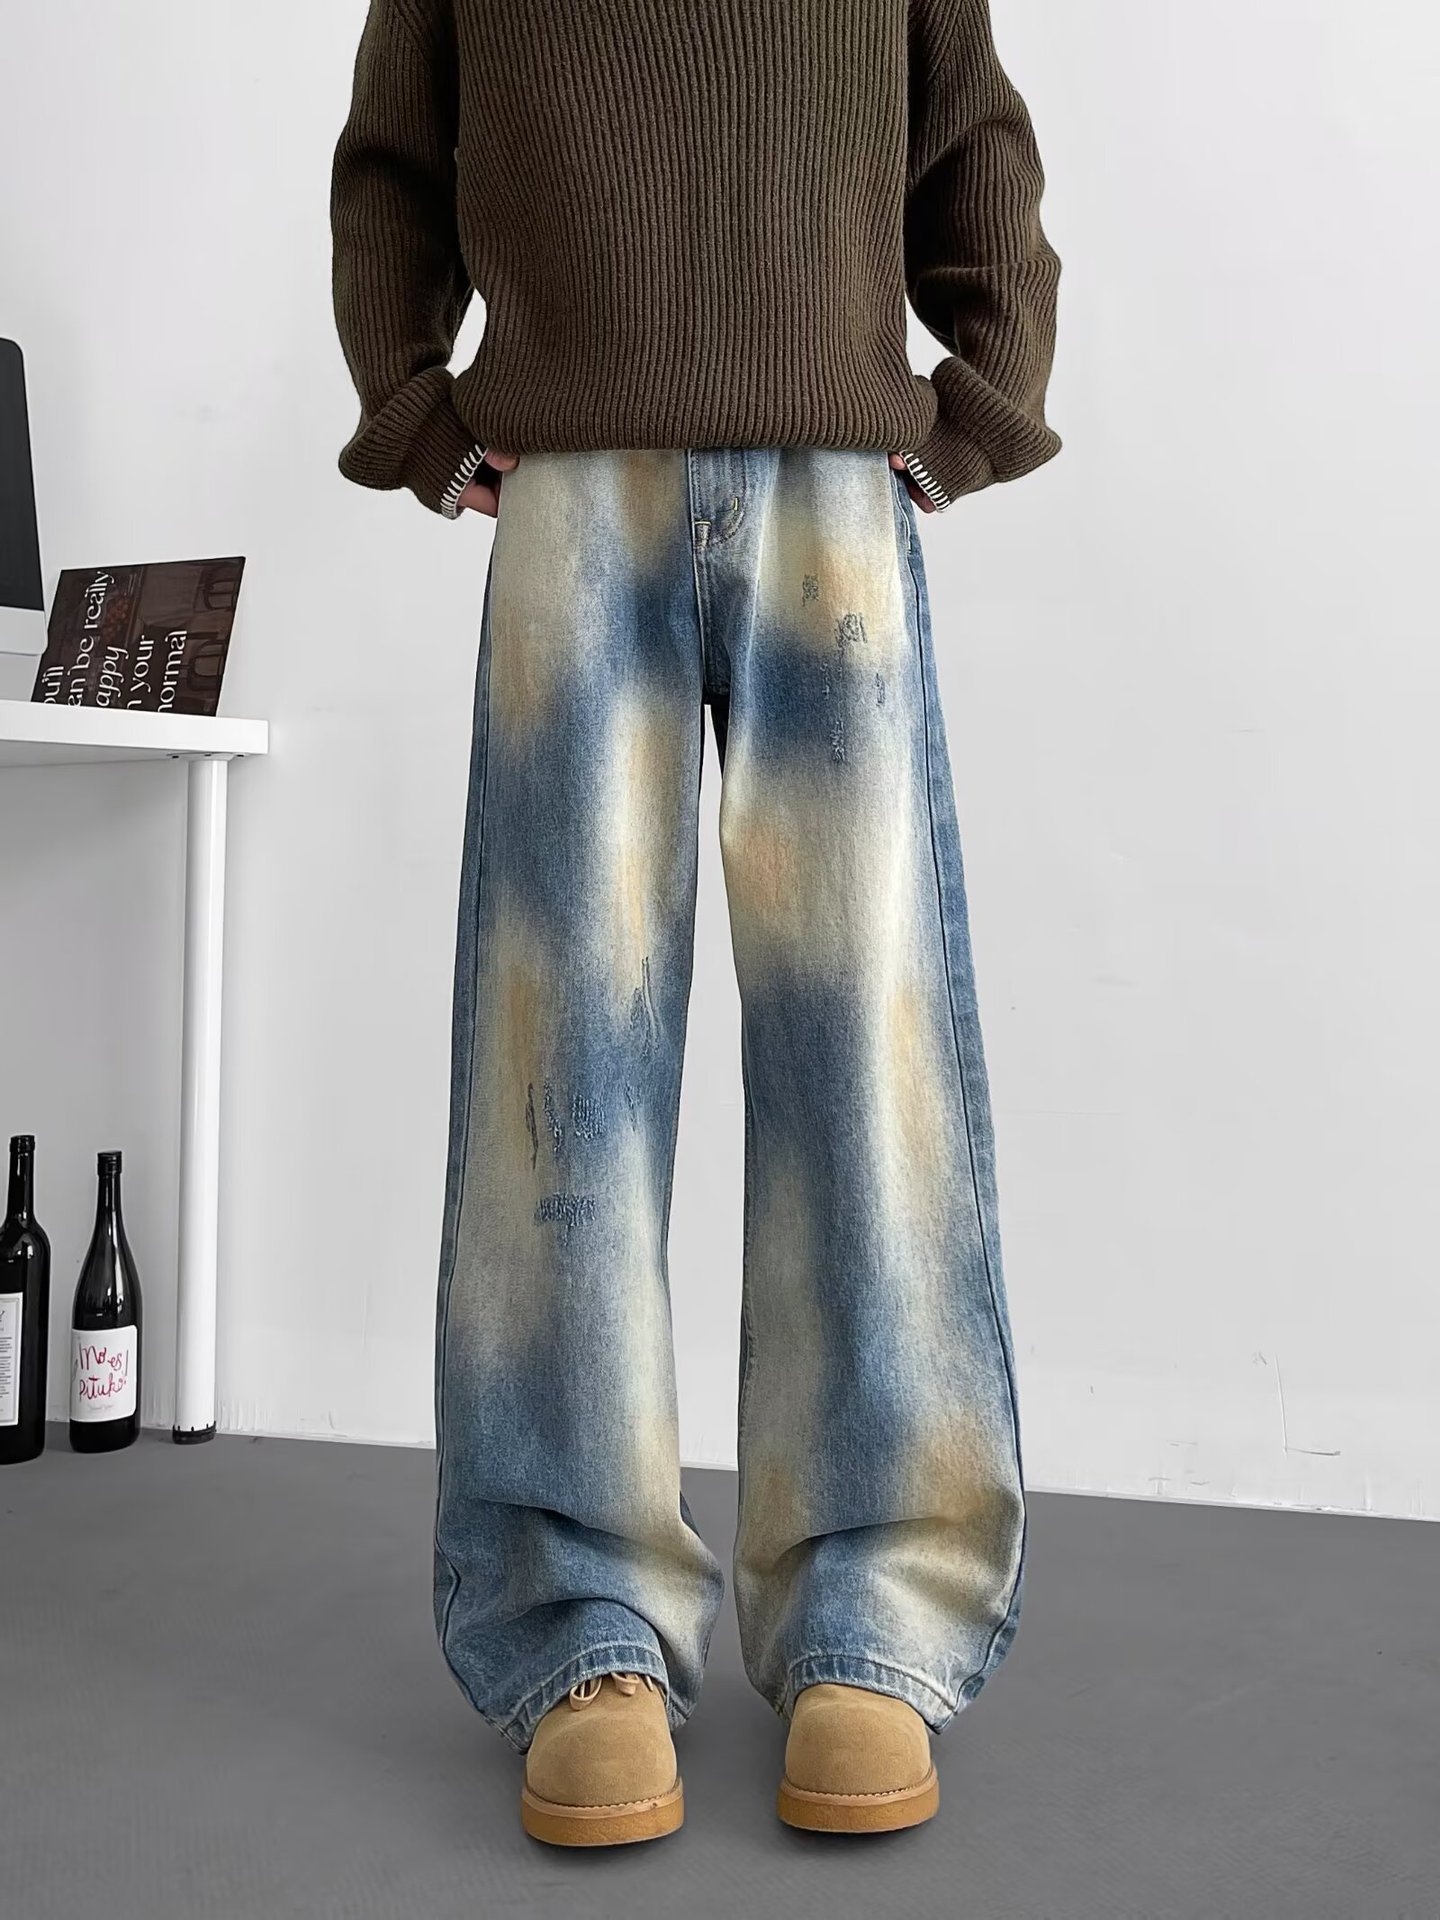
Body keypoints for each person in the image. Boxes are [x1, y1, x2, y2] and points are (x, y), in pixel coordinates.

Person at [331, 0, 1059, 1849]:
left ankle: (876, 1610)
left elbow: (969, 136)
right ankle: (578, 1620)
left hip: (834, 486)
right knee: (558, 1065)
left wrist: (984, 398)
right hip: (570, 487)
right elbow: (395, 158)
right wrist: (417, 411)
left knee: (863, 1051)